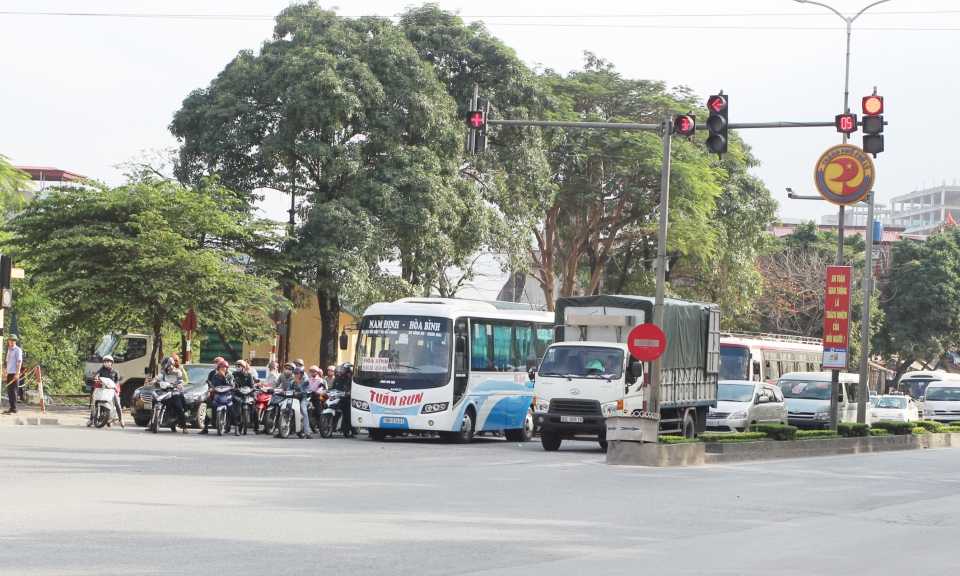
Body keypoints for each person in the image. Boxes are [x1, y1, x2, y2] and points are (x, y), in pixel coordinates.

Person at [149, 356, 188, 434]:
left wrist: (178, 385)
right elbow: (158, 377)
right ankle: (152, 424)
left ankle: (184, 427)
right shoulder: (164, 372)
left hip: (174, 392)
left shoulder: (178, 372)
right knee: (154, 402)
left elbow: (181, 382)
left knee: (178, 407)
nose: (164, 366)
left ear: (170, 364)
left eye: (165, 364)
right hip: (164, 392)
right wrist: (153, 381)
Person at [87, 355, 125, 428]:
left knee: (117, 403)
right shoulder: (101, 370)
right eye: (105, 361)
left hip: (111, 389)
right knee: (94, 402)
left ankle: (121, 419)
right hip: (102, 389)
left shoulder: (115, 372)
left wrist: (115, 385)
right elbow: (97, 375)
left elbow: (117, 380)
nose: (107, 363)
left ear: (111, 363)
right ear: (103, 363)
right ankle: (91, 420)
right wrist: (96, 377)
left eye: (108, 361)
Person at [201, 360, 235, 435]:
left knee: (232, 408)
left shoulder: (230, 376)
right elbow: (212, 384)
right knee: (209, 405)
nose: (222, 369)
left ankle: (236, 428)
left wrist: (224, 377)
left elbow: (231, 385)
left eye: (224, 367)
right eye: (220, 367)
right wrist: (211, 388)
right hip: (216, 394)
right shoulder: (215, 376)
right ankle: (206, 426)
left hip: (227, 395)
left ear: (227, 368)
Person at [331, 363, 354, 437]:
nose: (341, 371)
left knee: (348, 413)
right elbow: (332, 388)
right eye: (341, 369)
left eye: (343, 369)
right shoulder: (337, 379)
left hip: (346, 399)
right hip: (337, 398)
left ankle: (352, 430)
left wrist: (350, 392)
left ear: (347, 370)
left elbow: (353, 389)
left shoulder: (350, 379)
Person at [2, 335, 23, 415]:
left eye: (13, 340)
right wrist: (6, 373)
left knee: (14, 391)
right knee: (10, 391)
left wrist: (17, 373)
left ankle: (14, 408)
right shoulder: (9, 350)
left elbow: (19, 362)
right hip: (10, 372)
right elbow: (8, 362)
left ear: (15, 341)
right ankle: (11, 407)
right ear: (8, 341)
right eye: (10, 340)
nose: (12, 341)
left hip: (15, 372)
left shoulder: (17, 350)